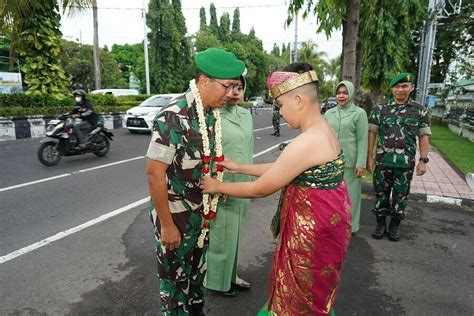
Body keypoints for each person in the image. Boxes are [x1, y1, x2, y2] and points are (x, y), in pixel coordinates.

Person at [201, 62, 352, 315]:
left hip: (312, 234)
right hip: (328, 228)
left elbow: (262, 189)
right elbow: (285, 167)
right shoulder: (324, 130)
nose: (280, 112)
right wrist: (239, 167)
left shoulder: (307, 141)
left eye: (281, 104)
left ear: (300, 100)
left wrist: (216, 185)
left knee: (298, 299)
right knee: (317, 291)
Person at [145, 47, 246, 315]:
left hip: (200, 216)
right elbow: (155, 174)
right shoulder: (173, 116)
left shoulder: (210, 113)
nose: (230, 94)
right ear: (204, 82)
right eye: (227, 87)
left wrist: (216, 185)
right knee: (175, 286)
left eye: (235, 87)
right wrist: (166, 226)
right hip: (175, 217)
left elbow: (207, 158)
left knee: (196, 276)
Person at [367, 72, 431, 241]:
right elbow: (372, 134)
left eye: (404, 86)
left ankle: (395, 225)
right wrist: (370, 157)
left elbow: (424, 136)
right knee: (381, 194)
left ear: (411, 88)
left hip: (405, 163)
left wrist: (423, 161)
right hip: (383, 161)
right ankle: (380, 224)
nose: (400, 90)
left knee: (401, 195)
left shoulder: (419, 110)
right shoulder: (381, 109)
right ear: (392, 89)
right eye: (397, 86)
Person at [205, 74, 254, 297]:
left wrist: (252, 181)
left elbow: (249, 149)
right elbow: (209, 152)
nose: (235, 92)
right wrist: (217, 183)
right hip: (223, 185)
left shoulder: (246, 114)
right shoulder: (214, 115)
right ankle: (216, 281)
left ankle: (230, 275)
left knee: (234, 234)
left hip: (243, 183)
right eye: (231, 87)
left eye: (240, 88)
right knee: (221, 236)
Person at [324, 81, 368, 233]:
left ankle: (352, 226)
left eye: (345, 93)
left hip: (351, 163)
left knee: (351, 197)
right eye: (338, 93)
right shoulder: (329, 114)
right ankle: (335, 226)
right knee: (332, 197)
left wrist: (361, 163)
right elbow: (324, 137)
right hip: (331, 162)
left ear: (351, 94)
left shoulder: (359, 113)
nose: (341, 96)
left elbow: (363, 139)